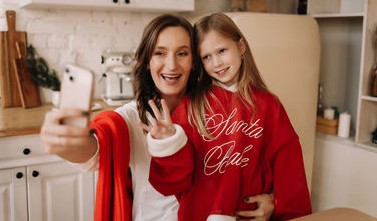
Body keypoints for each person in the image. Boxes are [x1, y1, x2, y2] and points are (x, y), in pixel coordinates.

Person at [40, 13, 275, 221]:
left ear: (194, 62)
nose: (171, 65)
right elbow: (93, 152)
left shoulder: (220, 112)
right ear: (147, 61)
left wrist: (272, 201)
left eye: (182, 53)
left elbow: (248, 166)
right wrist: (68, 143)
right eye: (160, 53)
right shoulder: (130, 119)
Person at [142, 12, 312, 221]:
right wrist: (169, 143)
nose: (217, 63)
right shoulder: (190, 108)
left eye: (222, 51)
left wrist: (279, 206)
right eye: (206, 57)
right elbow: (172, 183)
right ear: (199, 62)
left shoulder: (269, 106)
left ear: (241, 47)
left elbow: (290, 171)